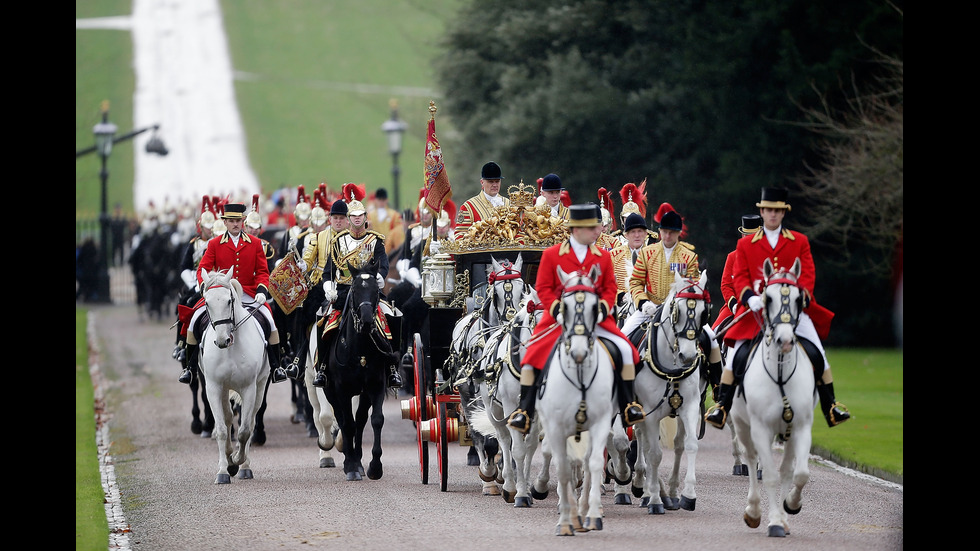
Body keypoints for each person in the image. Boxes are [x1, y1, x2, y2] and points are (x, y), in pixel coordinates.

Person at [705, 187, 850, 429]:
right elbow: (738, 277)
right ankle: (722, 406)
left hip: (791, 311)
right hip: (756, 312)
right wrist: (748, 297)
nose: (772, 215)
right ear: (762, 212)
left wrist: (799, 297)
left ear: (783, 213)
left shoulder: (799, 241)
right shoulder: (745, 246)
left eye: (778, 210)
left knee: (818, 353)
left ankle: (831, 406)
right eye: (769, 210)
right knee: (735, 357)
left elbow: (808, 275)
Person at [506, 204, 646, 434]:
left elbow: (610, 289)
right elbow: (543, 287)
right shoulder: (552, 255)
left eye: (596, 227)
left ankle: (628, 404)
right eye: (592, 227)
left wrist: (602, 308)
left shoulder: (603, 257)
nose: (597, 231)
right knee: (532, 353)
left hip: (596, 319)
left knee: (626, 350)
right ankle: (525, 410)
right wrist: (557, 310)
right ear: (577, 229)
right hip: (558, 319)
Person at [184, 203, 288, 385]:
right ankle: (190, 368)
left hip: (247, 293)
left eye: (238, 221)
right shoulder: (214, 244)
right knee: (194, 320)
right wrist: (205, 287)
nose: (235, 224)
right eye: (231, 221)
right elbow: (203, 268)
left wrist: (262, 291)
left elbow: (263, 271)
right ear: (224, 222)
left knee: (270, 321)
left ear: (243, 222)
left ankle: (276, 365)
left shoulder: (255, 244)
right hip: (221, 294)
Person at [313, 190, 403, 389]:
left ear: (365, 217)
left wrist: (379, 277)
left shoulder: (375, 240)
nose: (356, 219)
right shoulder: (338, 242)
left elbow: (384, 264)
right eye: (352, 216)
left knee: (392, 316)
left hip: (370, 292)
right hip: (344, 292)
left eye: (359, 216)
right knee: (323, 320)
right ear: (348, 219)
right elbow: (329, 272)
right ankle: (322, 368)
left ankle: (392, 368)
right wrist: (329, 287)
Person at [283, 198, 348, 379]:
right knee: (306, 315)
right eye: (335, 218)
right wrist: (303, 264)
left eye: (341, 218)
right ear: (330, 219)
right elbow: (309, 258)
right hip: (320, 283)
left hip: (345, 283)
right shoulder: (318, 237)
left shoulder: (352, 237)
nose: (338, 221)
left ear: (347, 220)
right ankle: (299, 358)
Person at [622, 209, 700, 338]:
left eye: (672, 232)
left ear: (679, 233)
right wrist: (643, 303)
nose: (668, 236)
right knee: (623, 336)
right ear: (660, 231)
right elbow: (636, 282)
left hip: (680, 310)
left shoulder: (689, 257)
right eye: (665, 232)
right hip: (650, 308)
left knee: (710, 339)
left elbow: (694, 286)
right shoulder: (646, 253)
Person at [173, 196, 217, 381]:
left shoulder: (218, 242)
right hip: (196, 284)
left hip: (216, 284)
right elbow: (184, 267)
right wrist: (193, 284)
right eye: (207, 226)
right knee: (185, 305)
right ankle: (181, 345)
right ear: (201, 226)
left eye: (211, 225)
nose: (210, 229)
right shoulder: (194, 244)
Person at [454, 161, 509, 239]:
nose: (495, 185)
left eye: (497, 181)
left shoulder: (508, 203)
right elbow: (459, 236)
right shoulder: (469, 206)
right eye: (490, 182)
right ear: (482, 182)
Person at [609, 213, 649, 316]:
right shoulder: (613, 255)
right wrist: (620, 296)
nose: (637, 235)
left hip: (648, 306)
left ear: (645, 234)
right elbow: (606, 283)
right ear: (626, 235)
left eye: (640, 231)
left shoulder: (654, 255)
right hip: (621, 307)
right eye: (633, 232)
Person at [367, 187, 405, 256]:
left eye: (383, 200)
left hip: (391, 249)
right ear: (375, 200)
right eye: (379, 200)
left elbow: (397, 232)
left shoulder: (394, 215)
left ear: (386, 200)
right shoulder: (370, 216)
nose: (381, 202)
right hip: (374, 247)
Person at [246, 194, 277, 273]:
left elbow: (270, 271)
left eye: (257, 228)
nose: (254, 231)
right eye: (251, 228)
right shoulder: (238, 243)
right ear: (246, 227)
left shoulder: (266, 247)